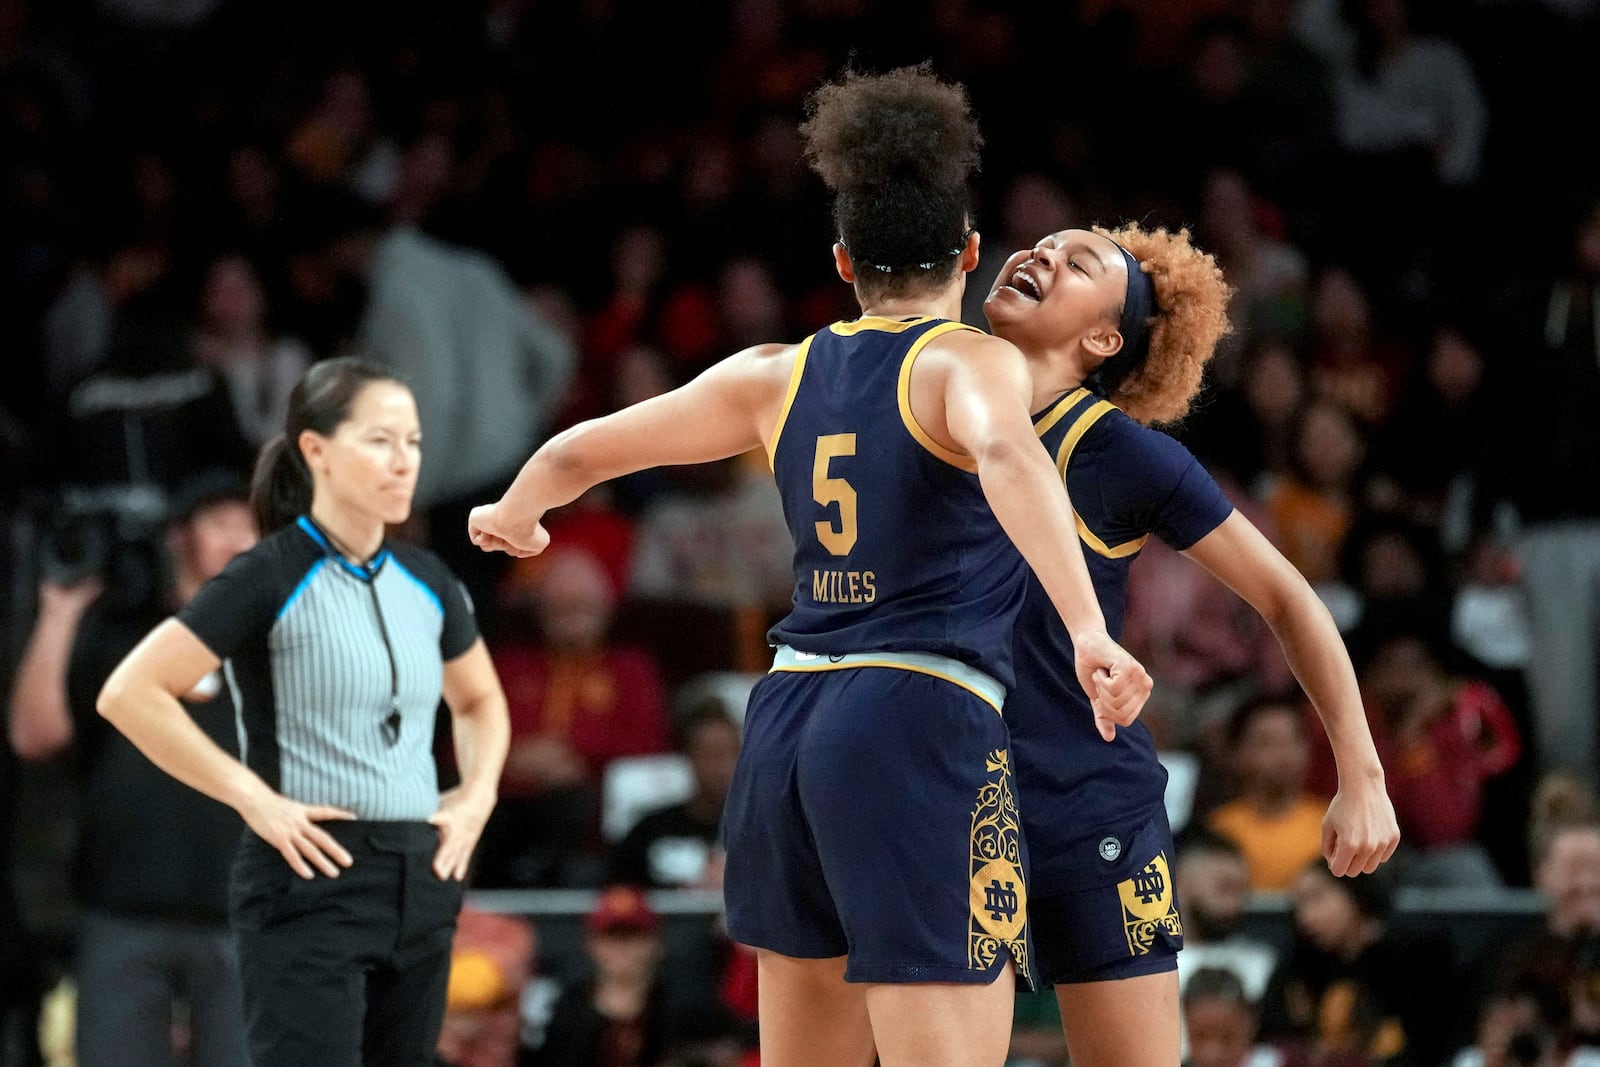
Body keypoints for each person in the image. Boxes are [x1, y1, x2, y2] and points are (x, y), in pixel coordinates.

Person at [469, 66, 1151, 1067]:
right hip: (917, 709)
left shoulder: (773, 374)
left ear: (841, 261)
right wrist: (1090, 626)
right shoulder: (968, 360)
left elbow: (580, 452)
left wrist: (512, 515)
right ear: (968, 253)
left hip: (784, 721)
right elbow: (1008, 455)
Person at [979, 222, 1398, 1067]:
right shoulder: (927, 405)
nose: (1041, 256)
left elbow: (1288, 597)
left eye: (1078, 261)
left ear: (1104, 337)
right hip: (958, 805)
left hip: (1091, 808)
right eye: (1043, 245)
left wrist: (1362, 774)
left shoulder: (1123, 455)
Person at [95, 357, 511, 1067]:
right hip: (311, 873)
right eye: (379, 440)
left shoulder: (429, 578)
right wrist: (252, 797)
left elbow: (478, 699)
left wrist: (476, 796)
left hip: (422, 874)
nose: (402, 460)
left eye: (412, 441)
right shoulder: (269, 573)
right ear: (315, 449)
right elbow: (129, 692)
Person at [8, 475, 257, 1067]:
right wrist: (59, 611)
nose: (240, 539)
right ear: (180, 538)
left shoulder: (281, 642)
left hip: (247, 914)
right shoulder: (120, 639)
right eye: (221, 524)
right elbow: (33, 736)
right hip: (124, 908)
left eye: (252, 525)